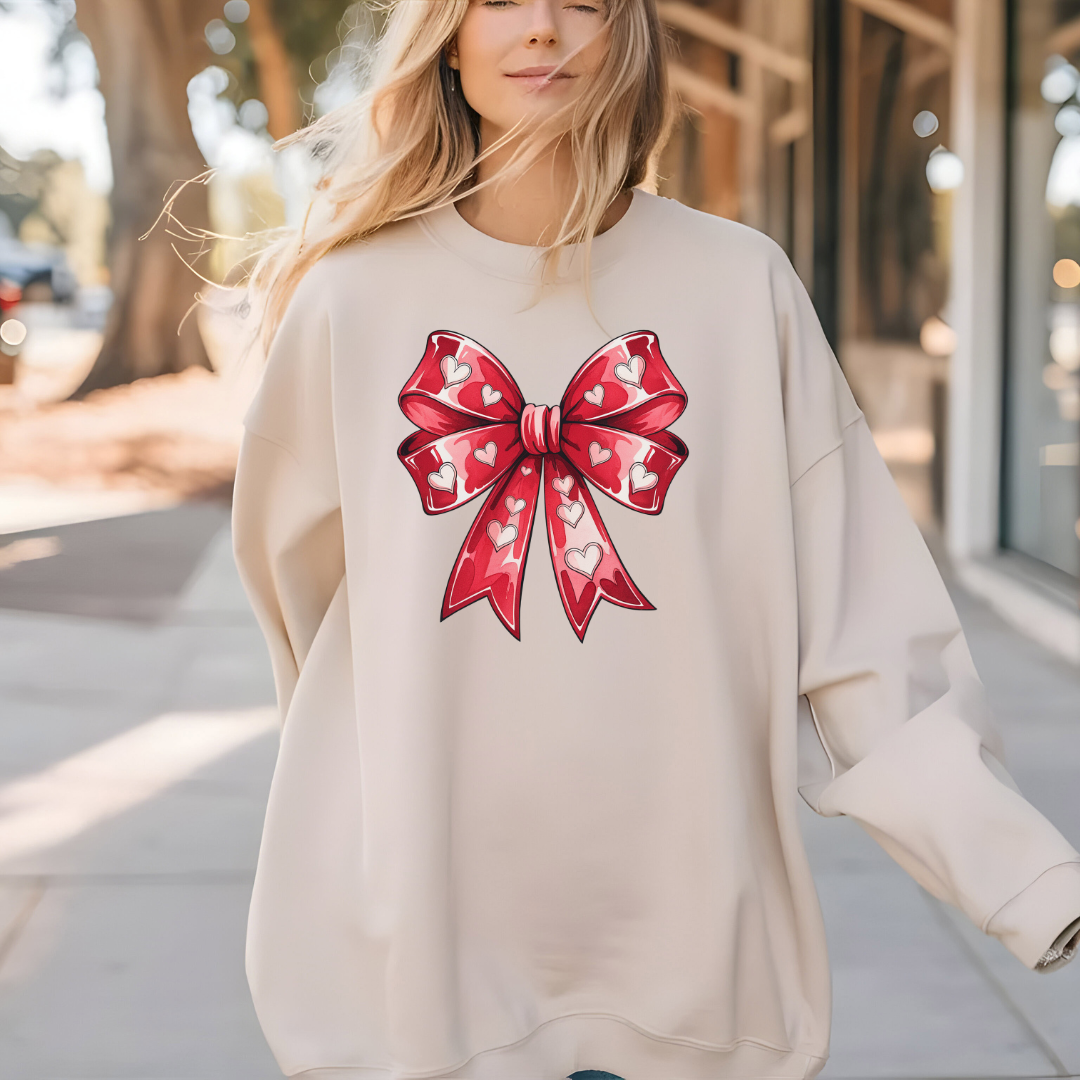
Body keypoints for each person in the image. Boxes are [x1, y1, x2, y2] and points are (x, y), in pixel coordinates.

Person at [231, 2, 1080, 1078]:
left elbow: (865, 626)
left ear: (632, 32)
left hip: (693, 943)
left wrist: (1019, 875)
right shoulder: (349, 305)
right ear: (445, 33)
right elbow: (304, 628)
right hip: (424, 946)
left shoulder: (739, 286)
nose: (542, 29)